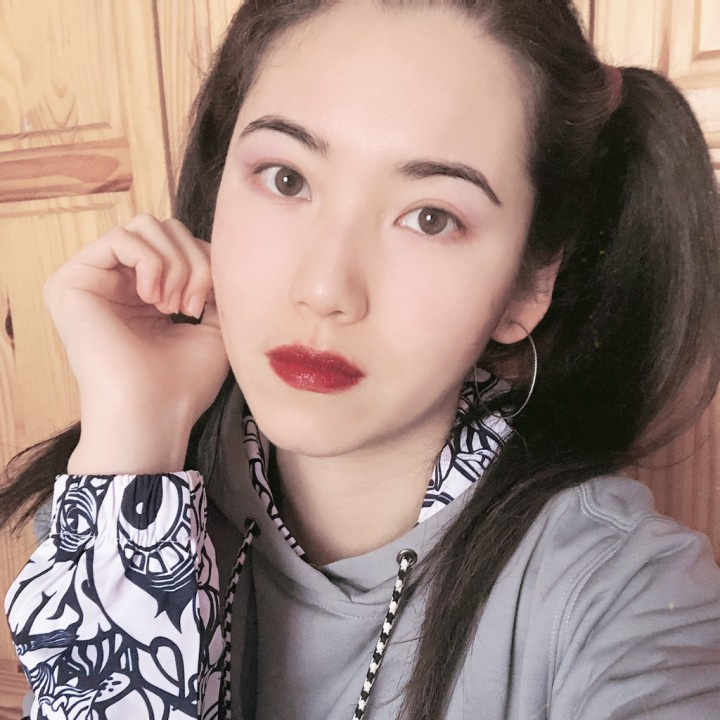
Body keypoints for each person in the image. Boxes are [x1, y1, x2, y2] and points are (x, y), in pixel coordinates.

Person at [2, 0, 720, 718]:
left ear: (528, 285)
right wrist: (138, 428)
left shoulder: (623, 593)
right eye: (286, 178)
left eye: (431, 217)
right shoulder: (131, 494)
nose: (325, 289)